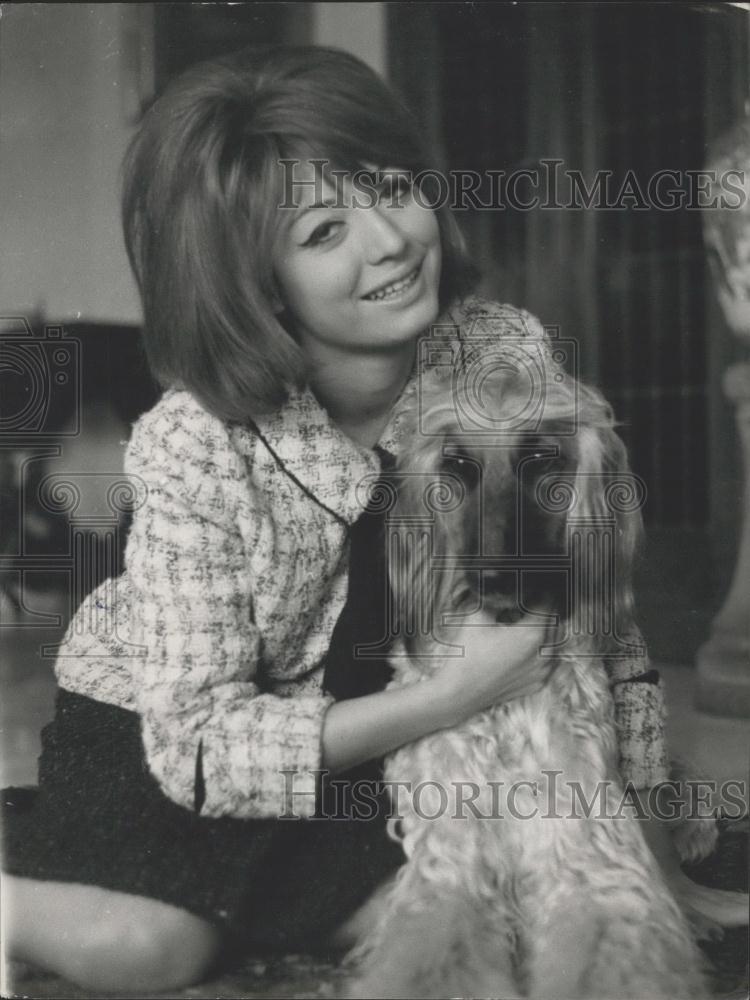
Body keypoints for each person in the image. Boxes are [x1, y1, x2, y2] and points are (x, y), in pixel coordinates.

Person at [1, 45, 672, 994]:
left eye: (394, 188)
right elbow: (197, 745)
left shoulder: (497, 348)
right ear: (257, 281)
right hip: (179, 735)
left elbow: (594, 581)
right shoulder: (193, 443)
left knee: (496, 908)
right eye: (325, 231)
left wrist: (641, 797)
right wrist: (447, 700)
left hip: (363, 739)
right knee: (152, 952)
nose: (391, 240)